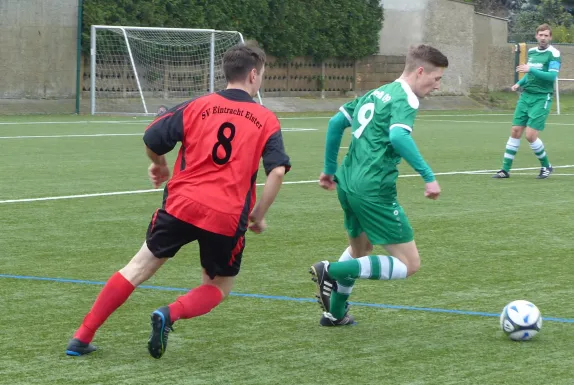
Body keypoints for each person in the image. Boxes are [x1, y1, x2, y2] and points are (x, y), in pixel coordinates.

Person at [66, 43, 291, 358]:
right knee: (218, 286)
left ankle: (81, 337)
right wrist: (258, 213)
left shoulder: (197, 105)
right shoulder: (266, 119)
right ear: (253, 74)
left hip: (181, 204)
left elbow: (152, 138)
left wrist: (159, 163)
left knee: (138, 267)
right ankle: (168, 314)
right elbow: (277, 172)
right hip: (226, 216)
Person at [309, 44, 448, 326]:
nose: (437, 86)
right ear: (420, 71)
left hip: (348, 182)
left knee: (360, 251)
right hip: (373, 188)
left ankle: (334, 314)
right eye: (436, 79)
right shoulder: (406, 99)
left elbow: (336, 123)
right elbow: (398, 138)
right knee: (410, 265)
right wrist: (428, 175)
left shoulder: (375, 93)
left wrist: (328, 169)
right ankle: (331, 270)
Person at [492, 23, 560, 179]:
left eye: (546, 35)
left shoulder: (554, 54)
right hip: (526, 96)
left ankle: (546, 166)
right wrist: (519, 83)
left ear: (550, 37)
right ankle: (505, 170)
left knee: (530, 135)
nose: (543, 38)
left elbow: (551, 76)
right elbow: (529, 75)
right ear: (536, 36)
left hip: (542, 97)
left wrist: (531, 70)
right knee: (515, 131)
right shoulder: (532, 52)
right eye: (540, 35)